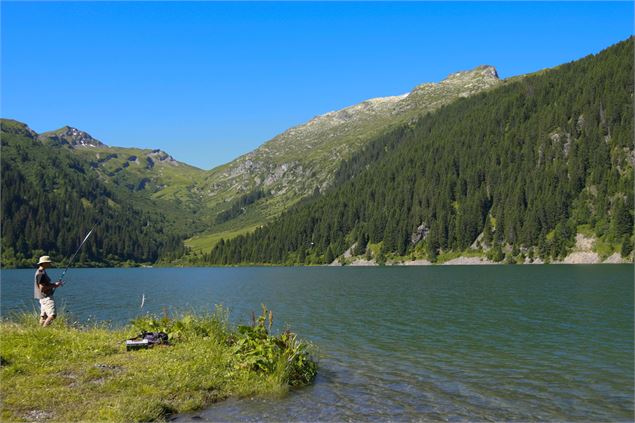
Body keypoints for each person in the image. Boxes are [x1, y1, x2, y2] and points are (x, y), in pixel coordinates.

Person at [34, 255, 64, 326]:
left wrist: (55, 284)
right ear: (44, 263)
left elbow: (44, 285)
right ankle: (44, 330)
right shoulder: (41, 273)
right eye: (48, 262)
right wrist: (54, 285)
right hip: (46, 298)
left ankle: (39, 331)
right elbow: (42, 288)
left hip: (42, 298)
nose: (50, 264)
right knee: (52, 315)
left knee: (44, 316)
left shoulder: (41, 271)